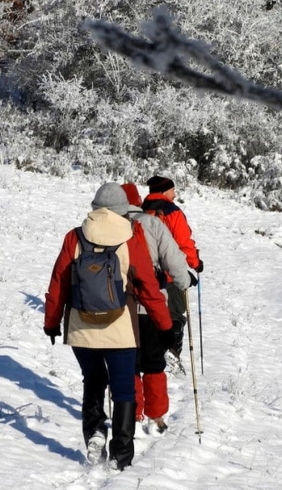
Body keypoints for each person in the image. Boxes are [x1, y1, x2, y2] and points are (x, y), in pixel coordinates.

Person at [43, 183, 173, 470]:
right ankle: (121, 455)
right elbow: (149, 288)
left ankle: (95, 433)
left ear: (95, 207)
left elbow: (58, 284)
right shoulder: (131, 237)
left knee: (93, 381)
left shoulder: (74, 237)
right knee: (123, 388)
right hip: (121, 328)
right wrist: (164, 324)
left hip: (81, 327)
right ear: (122, 210)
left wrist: (51, 323)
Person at [121, 182, 195, 433]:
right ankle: (156, 414)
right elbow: (173, 258)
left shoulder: (111, 224)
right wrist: (185, 280)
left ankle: (134, 412)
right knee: (153, 363)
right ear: (137, 200)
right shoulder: (151, 223)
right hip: (152, 303)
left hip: (122, 307)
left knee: (129, 363)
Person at [142, 176, 203, 358]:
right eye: (172, 190)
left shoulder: (141, 211)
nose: (175, 194)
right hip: (170, 275)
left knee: (150, 315)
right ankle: (172, 353)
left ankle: (152, 351)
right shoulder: (173, 212)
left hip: (145, 274)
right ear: (163, 192)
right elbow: (184, 243)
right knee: (175, 314)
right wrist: (195, 263)